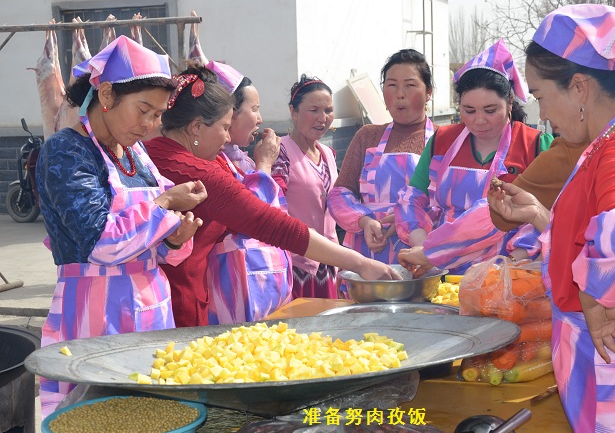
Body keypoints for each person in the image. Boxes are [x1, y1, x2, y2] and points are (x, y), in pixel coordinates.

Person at [488, 4, 615, 432]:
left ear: (579, 87)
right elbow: (598, 234)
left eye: (542, 96)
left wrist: (593, 299)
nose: (542, 113)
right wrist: (542, 217)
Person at [146, 66, 400, 326]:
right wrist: (359, 263)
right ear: (197, 128)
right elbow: (269, 222)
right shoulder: (200, 170)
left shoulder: (157, 153)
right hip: (182, 301)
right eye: (224, 126)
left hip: (181, 293)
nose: (227, 135)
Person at [36, 36, 207, 417]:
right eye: (143, 110)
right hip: (96, 310)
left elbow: (153, 240)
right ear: (108, 94)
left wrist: (175, 240)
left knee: (150, 412)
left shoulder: (135, 154)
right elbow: (100, 241)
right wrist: (164, 205)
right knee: (103, 414)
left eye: (158, 114)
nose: (150, 125)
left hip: (151, 306)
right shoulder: (67, 151)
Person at [394, 39, 553, 275]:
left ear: (509, 102)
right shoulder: (442, 141)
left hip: (508, 272)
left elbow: (545, 213)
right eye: (469, 111)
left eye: (490, 111)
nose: (479, 120)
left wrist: (506, 265)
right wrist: (423, 247)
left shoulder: (536, 145)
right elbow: (411, 199)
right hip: (441, 271)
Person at [327, 49, 436, 265]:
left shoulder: (443, 140)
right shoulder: (367, 135)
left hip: (421, 252)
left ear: (429, 92)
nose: (400, 94)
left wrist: (410, 221)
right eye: (392, 85)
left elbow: (451, 205)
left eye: (410, 85)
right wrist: (365, 221)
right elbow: (340, 193)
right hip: (367, 253)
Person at [203, 60, 292, 323]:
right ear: (228, 114)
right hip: (233, 292)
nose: (260, 119)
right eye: (254, 109)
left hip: (262, 286)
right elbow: (252, 217)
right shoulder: (210, 162)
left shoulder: (238, 159)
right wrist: (264, 164)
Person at [271, 74, 340, 298]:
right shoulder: (279, 151)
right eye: (314, 110)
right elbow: (272, 204)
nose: (322, 118)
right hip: (296, 266)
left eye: (328, 110)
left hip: (329, 264)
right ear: (294, 111)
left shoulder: (328, 153)